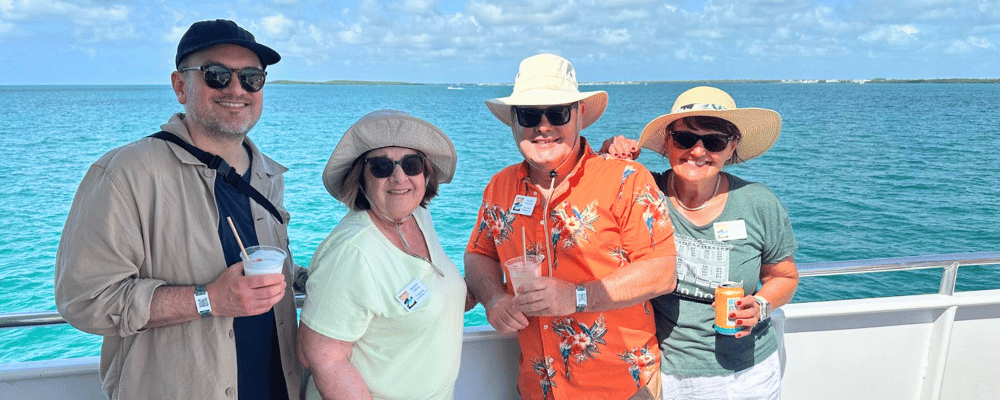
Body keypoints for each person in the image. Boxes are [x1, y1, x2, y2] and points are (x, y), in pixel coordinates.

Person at [54, 19, 302, 399]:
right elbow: (85, 300)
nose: (237, 88)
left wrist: (322, 276)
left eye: (252, 77)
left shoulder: (267, 173)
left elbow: (261, 261)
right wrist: (208, 299)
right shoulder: (125, 173)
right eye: (216, 75)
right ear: (180, 86)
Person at [464, 53, 678, 400]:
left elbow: (662, 270)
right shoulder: (498, 188)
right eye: (530, 114)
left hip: (621, 387)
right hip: (537, 388)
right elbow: (478, 254)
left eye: (558, 113)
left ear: (579, 116)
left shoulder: (626, 179)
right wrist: (493, 299)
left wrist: (576, 297)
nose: (543, 126)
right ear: (515, 122)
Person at [605, 86, 798, 399]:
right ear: (667, 141)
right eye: (684, 138)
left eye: (713, 141)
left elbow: (784, 277)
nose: (697, 151)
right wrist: (610, 151)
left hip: (746, 375)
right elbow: (590, 182)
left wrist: (760, 306)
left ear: (731, 146)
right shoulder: (645, 192)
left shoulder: (758, 202)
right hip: (665, 371)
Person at [298, 110, 467, 400]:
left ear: (425, 173)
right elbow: (322, 357)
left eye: (411, 164)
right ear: (361, 178)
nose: (399, 177)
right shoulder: (353, 251)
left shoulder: (419, 217)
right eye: (381, 166)